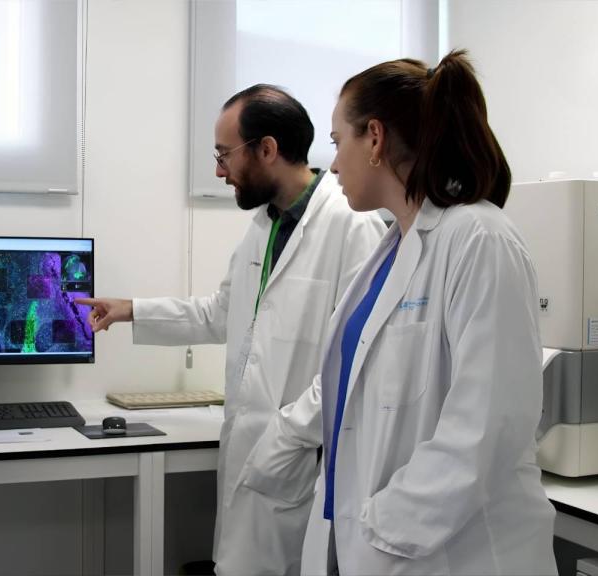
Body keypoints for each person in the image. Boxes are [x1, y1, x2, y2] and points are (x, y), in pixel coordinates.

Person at [237, 51, 558, 575]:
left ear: (375, 139)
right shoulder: (393, 248)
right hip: (374, 541)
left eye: (338, 142)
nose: (332, 165)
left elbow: (488, 426)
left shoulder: (480, 238)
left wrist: (384, 525)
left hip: (454, 554)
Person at [78, 85, 385, 575]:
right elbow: (222, 313)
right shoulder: (266, 224)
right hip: (253, 456)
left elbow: (354, 361)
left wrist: (285, 435)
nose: (219, 171)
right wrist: (130, 310)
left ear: (266, 149)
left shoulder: (352, 227)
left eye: (224, 155)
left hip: (298, 464)